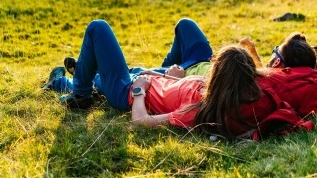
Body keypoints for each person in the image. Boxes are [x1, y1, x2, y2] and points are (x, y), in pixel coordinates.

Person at [45, 19, 314, 139]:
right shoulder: (220, 93)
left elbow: (141, 121)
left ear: (217, 73)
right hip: (156, 79)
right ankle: (80, 77)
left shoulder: (198, 110)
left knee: (98, 30)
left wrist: (139, 90)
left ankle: (75, 87)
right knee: (106, 74)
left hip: (130, 91)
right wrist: (171, 76)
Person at [44, 18, 213, 93]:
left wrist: (177, 81)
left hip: (185, 79)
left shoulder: (228, 96)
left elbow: (206, 96)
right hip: (201, 61)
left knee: (132, 75)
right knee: (185, 24)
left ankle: (67, 82)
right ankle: (163, 70)